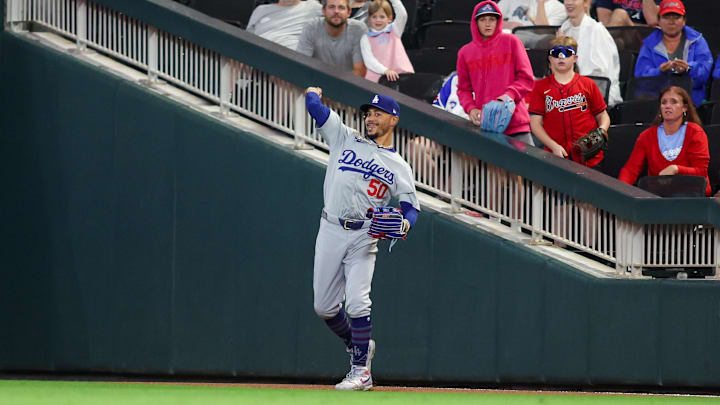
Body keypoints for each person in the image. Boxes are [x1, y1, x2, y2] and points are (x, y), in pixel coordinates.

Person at [305, 87, 420, 390]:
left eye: (377, 114)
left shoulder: (399, 166)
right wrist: (313, 92)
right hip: (330, 227)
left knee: (357, 302)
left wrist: (405, 225)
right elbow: (314, 108)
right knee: (325, 307)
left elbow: (410, 208)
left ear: (393, 120)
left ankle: (361, 372)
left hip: (364, 235)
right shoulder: (345, 137)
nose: (370, 118)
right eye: (368, 113)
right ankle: (359, 345)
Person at [456, 1, 536, 145]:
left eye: (491, 19)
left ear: (498, 20)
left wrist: (509, 95)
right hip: (487, 126)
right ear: (475, 22)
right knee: (493, 168)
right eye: (482, 19)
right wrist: (471, 108)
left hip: (517, 124)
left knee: (528, 167)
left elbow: (527, 78)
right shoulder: (465, 53)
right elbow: (463, 89)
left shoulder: (512, 41)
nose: (487, 24)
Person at [529, 36, 611, 168]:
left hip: (589, 157)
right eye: (556, 53)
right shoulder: (540, 87)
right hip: (556, 157)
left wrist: (601, 131)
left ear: (575, 58)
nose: (561, 57)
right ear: (550, 59)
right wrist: (553, 146)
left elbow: (603, 115)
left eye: (567, 53)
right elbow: (535, 124)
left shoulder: (588, 84)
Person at [619, 86, 711, 196]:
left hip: (691, 193)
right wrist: (619, 191)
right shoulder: (647, 136)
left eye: (673, 102)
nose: (667, 106)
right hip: (658, 193)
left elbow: (701, 172)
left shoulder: (695, 132)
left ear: (684, 108)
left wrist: (675, 169)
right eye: (664, 102)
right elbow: (631, 170)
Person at [634, 0, 713, 107]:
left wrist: (688, 69)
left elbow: (704, 74)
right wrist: (660, 71)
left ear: (684, 20)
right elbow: (641, 80)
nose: (671, 21)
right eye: (666, 17)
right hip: (656, 102)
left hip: (691, 102)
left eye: (676, 17)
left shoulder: (697, 40)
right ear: (659, 20)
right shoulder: (649, 44)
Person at [559, 0, 623, 106]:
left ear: (586, 3)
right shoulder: (564, 30)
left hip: (596, 100)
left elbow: (601, 76)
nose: (569, 3)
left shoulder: (597, 30)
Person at [297, 0, 368, 77]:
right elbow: (302, 65)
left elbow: (360, 71)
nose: (336, 11)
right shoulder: (311, 27)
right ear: (323, 11)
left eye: (341, 7)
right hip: (315, 82)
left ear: (349, 12)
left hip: (348, 84)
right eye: (331, 7)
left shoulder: (358, 29)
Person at [360, 0, 414, 82]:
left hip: (400, 76)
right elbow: (369, 60)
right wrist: (385, 71)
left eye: (382, 17)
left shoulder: (394, 29)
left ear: (389, 18)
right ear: (369, 19)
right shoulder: (365, 38)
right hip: (376, 80)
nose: (378, 20)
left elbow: (402, 14)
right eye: (374, 17)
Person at [246, 0, 322, 50]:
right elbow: (247, 40)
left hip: (289, 60)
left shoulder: (313, 7)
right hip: (257, 58)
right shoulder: (260, 10)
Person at [499, 0, 568, 31]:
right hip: (506, 39)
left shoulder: (561, 9)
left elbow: (543, 31)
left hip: (532, 47)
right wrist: (506, 24)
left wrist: (540, 3)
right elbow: (489, 18)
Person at [595, 0, 660, 27]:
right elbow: (606, 26)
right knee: (620, 14)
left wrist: (626, 22)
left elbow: (652, 21)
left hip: (644, 38)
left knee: (620, 15)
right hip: (618, 38)